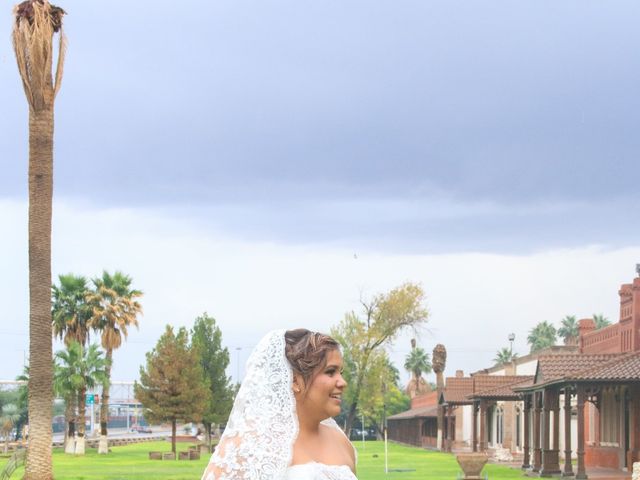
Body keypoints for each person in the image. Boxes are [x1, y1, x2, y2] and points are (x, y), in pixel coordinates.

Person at [201, 329, 357, 480]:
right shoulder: (250, 444)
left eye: (340, 372)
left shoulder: (341, 442)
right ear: (295, 380)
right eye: (330, 372)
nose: (342, 382)